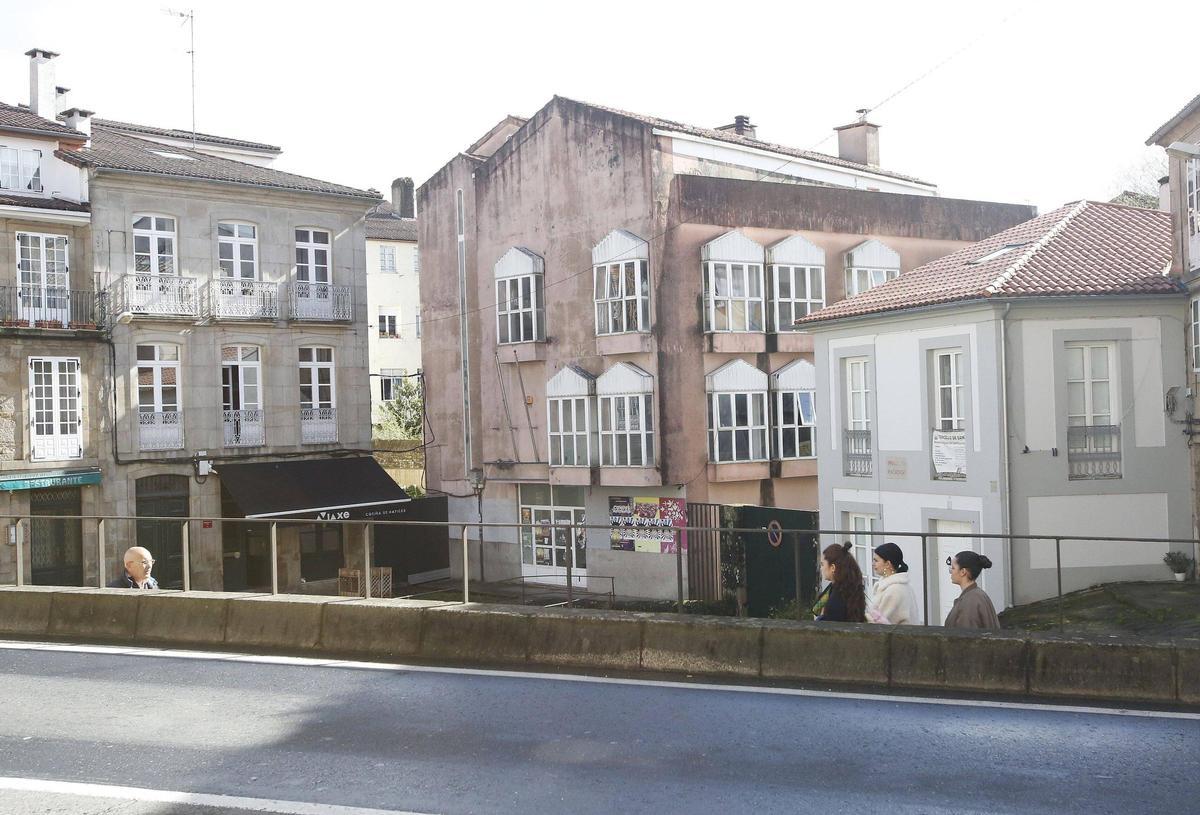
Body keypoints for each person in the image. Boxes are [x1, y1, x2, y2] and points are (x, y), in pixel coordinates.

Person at [944, 550, 1000, 630]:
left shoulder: (970, 601)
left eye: (953, 568)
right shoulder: (978, 594)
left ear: (963, 572)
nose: (951, 572)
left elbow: (966, 638)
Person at [813, 542, 866, 623]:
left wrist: (822, 616)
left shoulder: (836, 598)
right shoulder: (849, 587)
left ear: (833, 568)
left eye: (822, 564)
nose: (821, 568)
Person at [869, 542, 919, 625]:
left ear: (888, 564)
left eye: (876, 561)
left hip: (898, 637)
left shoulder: (894, 591)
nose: (873, 564)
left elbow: (878, 623)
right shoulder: (900, 585)